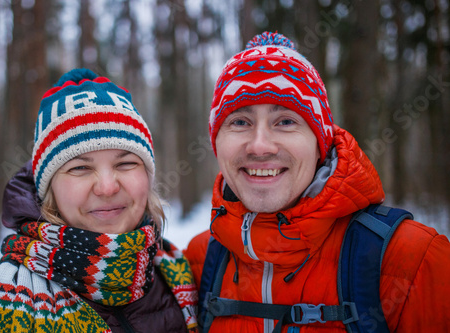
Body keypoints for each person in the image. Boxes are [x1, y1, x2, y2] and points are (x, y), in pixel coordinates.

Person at [184, 32, 450, 332]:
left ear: (319, 143)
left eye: (285, 121)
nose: (260, 146)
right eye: (240, 122)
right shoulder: (199, 261)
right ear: (216, 142)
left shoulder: (412, 261)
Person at [0, 69, 198, 333]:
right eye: (80, 168)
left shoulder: (185, 278)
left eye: (125, 163)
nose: (107, 187)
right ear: (48, 189)